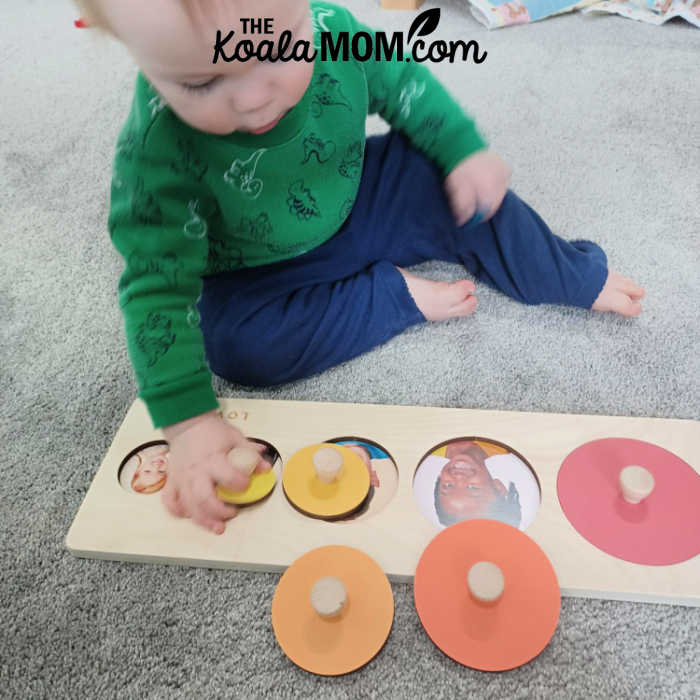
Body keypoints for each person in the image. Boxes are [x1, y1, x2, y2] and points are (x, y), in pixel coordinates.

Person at [74, 0, 644, 535]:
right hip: (249, 269)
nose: (250, 99)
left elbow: (406, 85)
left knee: (451, 178)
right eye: (199, 82)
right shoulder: (155, 147)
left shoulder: (334, 31)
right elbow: (155, 290)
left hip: (355, 198)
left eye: (275, 49)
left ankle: (565, 271)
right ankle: (392, 296)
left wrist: (464, 149)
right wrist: (190, 425)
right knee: (236, 347)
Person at [433, 441, 521, 528]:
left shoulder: (431, 444)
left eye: (448, 485)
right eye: (473, 488)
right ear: (499, 488)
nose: (459, 477)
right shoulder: (508, 445)